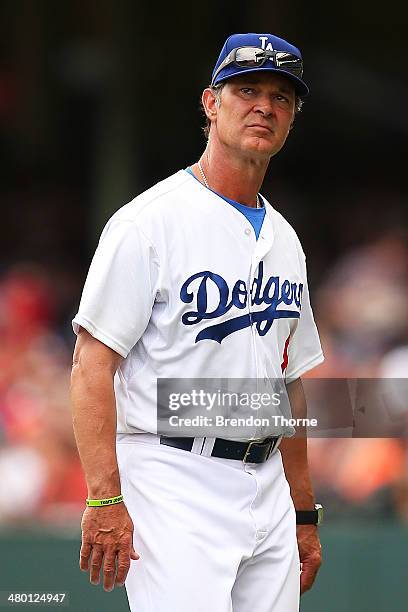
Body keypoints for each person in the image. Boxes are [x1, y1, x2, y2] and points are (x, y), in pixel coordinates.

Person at [71, 32, 324, 612]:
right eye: (248, 89)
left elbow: (290, 386)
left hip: (267, 486)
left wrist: (304, 510)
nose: (265, 105)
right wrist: (104, 499)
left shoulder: (285, 239)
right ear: (211, 103)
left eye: (282, 97)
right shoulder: (148, 223)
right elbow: (92, 364)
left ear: (291, 120)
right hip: (172, 474)